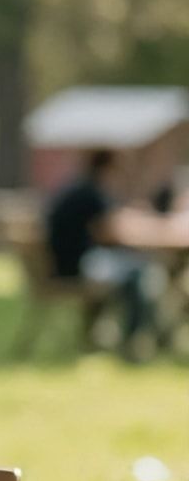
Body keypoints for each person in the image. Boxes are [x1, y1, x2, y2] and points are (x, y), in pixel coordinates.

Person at [45, 149, 162, 354]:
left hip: (64, 263)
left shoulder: (81, 188)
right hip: (78, 266)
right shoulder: (91, 193)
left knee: (133, 268)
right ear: (108, 168)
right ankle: (135, 341)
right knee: (138, 273)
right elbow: (109, 232)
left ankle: (116, 334)